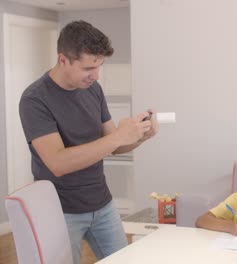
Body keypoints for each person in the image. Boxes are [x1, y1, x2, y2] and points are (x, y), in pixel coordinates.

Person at [19, 20, 158, 263]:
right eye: (87, 68)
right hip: (60, 211)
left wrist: (139, 136)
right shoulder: (34, 100)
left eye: (99, 66)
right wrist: (118, 136)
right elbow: (58, 163)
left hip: (102, 204)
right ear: (63, 60)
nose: (95, 75)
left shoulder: (93, 90)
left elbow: (113, 146)